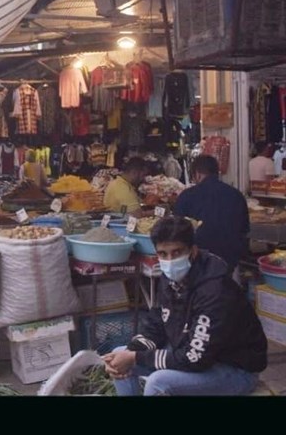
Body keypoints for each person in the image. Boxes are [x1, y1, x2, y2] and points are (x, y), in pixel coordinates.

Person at [104, 216, 267, 396]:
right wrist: (132, 352)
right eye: (163, 254)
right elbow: (157, 323)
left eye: (177, 252)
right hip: (192, 354)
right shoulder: (170, 279)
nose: (170, 260)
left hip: (235, 369)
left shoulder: (215, 290)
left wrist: (136, 357)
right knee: (118, 355)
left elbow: (195, 358)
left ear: (193, 251)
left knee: (158, 382)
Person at [174, 155, 250, 272]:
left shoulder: (186, 196)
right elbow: (244, 230)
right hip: (230, 260)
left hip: (198, 260)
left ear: (197, 174)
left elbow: (177, 230)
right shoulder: (237, 195)